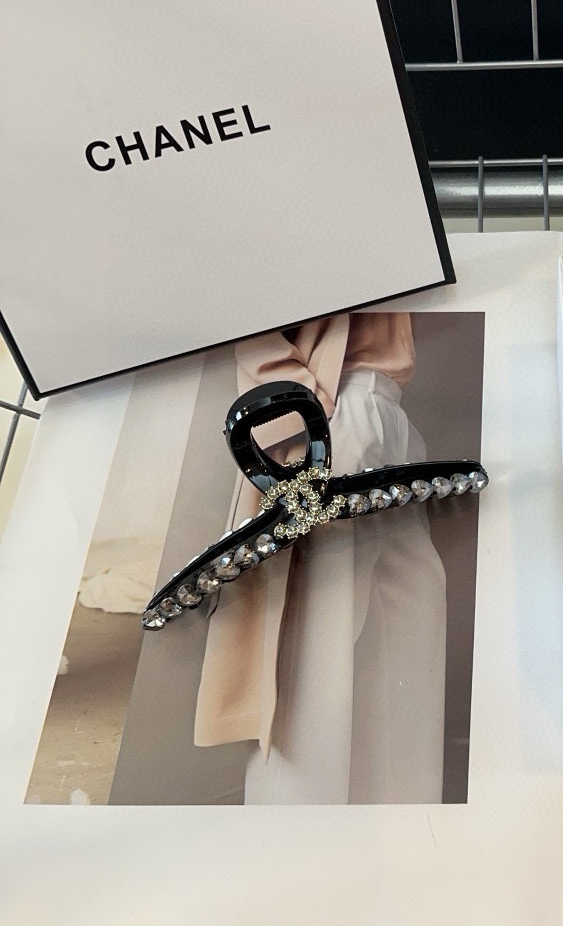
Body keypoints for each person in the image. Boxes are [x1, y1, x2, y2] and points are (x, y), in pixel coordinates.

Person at [193, 312, 447, 805]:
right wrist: (303, 408)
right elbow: (238, 309)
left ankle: (395, 834)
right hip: (337, 409)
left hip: (385, 410)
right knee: (317, 647)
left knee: (403, 635)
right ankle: (295, 835)